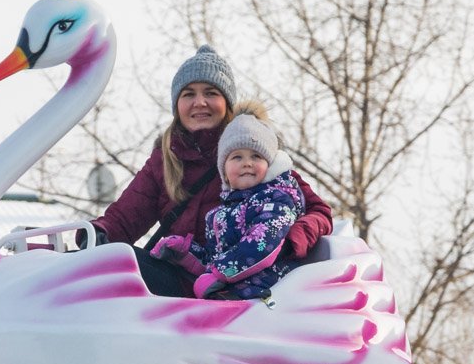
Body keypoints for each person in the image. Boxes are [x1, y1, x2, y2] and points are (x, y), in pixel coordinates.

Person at [85, 44, 333, 297]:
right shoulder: (166, 158)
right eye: (188, 94)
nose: (199, 102)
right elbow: (127, 216)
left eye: (211, 93)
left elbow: (318, 211)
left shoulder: (251, 153)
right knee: (110, 265)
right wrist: (99, 234)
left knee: (124, 267)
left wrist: (289, 240)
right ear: (177, 104)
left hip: (235, 282)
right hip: (180, 273)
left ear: (227, 102)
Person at [149, 104, 304, 300]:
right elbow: (213, 260)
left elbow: (262, 245)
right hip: (233, 286)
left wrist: (218, 273)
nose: (246, 162)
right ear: (225, 171)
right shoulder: (222, 212)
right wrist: (185, 251)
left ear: (269, 164)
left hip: (266, 290)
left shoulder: (276, 200)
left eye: (256, 156)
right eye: (237, 157)